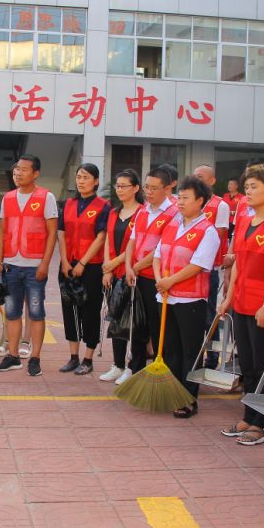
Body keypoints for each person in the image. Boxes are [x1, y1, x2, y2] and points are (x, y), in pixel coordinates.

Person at [218, 165, 264, 445]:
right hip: (241, 303)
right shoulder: (245, 221)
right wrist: (228, 299)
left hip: (263, 306)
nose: (248, 192)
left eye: (254, 187)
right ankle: (249, 416)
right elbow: (238, 263)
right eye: (247, 187)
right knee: (247, 365)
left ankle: (262, 423)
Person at [151, 176, 220, 418]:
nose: (180, 202)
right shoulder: (172, 224)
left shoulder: (208, 231)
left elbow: (198, 265)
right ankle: (172, 394)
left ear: (200, 201)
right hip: (166, 297)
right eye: (179, 197)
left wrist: (169, 281)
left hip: (190, 300)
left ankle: (189, 399)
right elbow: (158, 255)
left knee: (190, 351)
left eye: (186, 198)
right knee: (170, 349)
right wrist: (160, 281)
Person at [0, 154, 57, 376]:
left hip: (34, 266)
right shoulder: (8, 198)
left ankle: (35, 358)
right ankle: (12, 356)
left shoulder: (46, 197)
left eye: (23, 169)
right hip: (10, 265)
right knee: (11, 312)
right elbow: (2, 231)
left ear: (35, 173)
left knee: (36, 312)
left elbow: (52, 233)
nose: (18, 173)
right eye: (16, 169)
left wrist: (45, 263)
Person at [125, 167, 179, 377]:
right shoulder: (143, 210)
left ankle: (159, 370)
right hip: (136, 276)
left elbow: (160, 248)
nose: (148, 192)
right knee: (137, 325)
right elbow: (132, 241)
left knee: (157, 328)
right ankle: (135, 369)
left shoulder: (174, 214)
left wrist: (137, 267)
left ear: (167, 189)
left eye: (154, 188)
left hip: (155, 279)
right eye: (146, 187)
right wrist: (129, 266)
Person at [58, 163, 110, 375]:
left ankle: (88, 358)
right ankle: (73, 357)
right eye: (79, 176)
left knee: (90, 312)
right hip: (67, 265)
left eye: (86, 177)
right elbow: (61, 232)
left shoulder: (103, 206)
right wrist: (64, 261)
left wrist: (83, 263)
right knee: (69, 310)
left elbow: (101, 237)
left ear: (96, 181)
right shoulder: (68, 204)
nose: (81, 181)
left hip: (92, 267)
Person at [101, 169, 144, 383]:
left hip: (132, 274)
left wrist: (116, 263)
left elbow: (134, 245)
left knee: (134, 323)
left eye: (124, 186)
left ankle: (132, 367)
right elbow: (108, 240)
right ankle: (117, 365)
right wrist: (107, 269)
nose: (119, 189)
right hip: (114, 274)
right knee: (116, 320)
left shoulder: (142, 213)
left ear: (135, 188)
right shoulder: (113, 212)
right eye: (117, 186)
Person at [193, 165, 231, 366]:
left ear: (212, 180)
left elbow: (219, 234)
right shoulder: (191, 202)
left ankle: (212, 357)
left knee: (209, 315)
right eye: (194, 176)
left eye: (200, 177)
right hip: (189, 268)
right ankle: (195, 356)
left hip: (209, 269)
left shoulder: (220, 205)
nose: (196, 180)